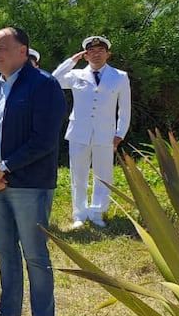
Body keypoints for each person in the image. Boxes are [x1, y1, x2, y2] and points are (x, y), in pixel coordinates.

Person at [0, 27, 67, 316]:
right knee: (4, 250)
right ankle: (9, 315)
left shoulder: (44, 85)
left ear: (23, 50)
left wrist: (4, 168)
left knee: (36, 257)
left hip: (29, 185)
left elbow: (44, 139)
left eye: (3, 48)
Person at [52, 35, 132, 229]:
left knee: (103, 175)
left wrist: (120, 134)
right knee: (77, 175)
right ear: (86, 55)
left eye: (100, 51)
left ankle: (97, 212)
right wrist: (72, 61)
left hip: (106, 134)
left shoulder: (119, 77)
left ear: (108, 54)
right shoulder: (76, 75)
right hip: (79, 133)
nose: (96, 55)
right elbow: (54, 79)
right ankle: (79, 213)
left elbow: (125, 108)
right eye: (91, 52)